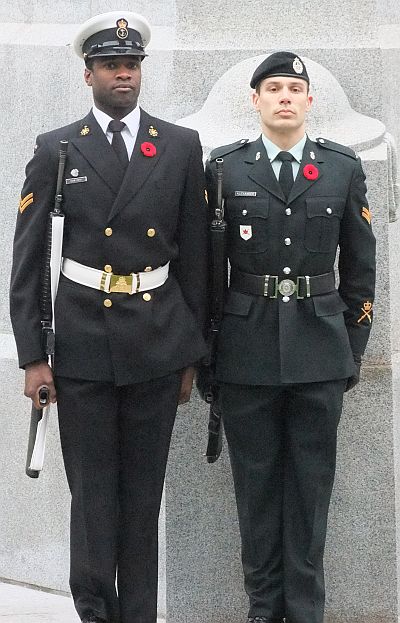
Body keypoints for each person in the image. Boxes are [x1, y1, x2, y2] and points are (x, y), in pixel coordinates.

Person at [10, 11, 208, 623]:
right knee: (93, 497)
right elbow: (29, 260)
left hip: (156, 342)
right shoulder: (57, 148)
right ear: (88, 74)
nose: (124, 74)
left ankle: (140, 615)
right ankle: (96, 611)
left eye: (132, 65)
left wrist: (191, 353)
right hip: (83, 346)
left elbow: (196, 258)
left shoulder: (179, 146)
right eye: (111, 66)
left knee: (143, 500)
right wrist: (34, 356)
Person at [204, 51, 375, 623]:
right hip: (245, 351)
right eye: (273, 88)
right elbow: (208, 271)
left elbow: (361, 267)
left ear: (309, 100)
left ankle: (304, 611)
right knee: (254, 490)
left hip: (320, 350)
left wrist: (352, 349)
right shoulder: (225, 169)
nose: (284, 97)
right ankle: (263, 608)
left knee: (310, 491)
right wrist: (207, 354)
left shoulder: (341, 168)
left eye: (294, 89)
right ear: (255, 100)